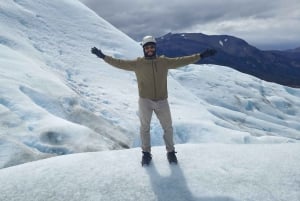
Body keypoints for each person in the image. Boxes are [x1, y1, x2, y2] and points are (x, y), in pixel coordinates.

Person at [91, 35, 216, 166]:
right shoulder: (137, 63)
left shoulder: (164, 62)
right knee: (144, 128)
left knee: (168, 127)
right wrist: (103, 56)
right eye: (147, 47)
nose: (150, 49)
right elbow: (119, 63)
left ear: (155, 48)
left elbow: (182, 60)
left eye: (152, 47)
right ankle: (146, 154)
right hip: (145, 101)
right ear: (144, 49)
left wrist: (201, 56)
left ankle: (171, 152)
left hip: (162, 101)